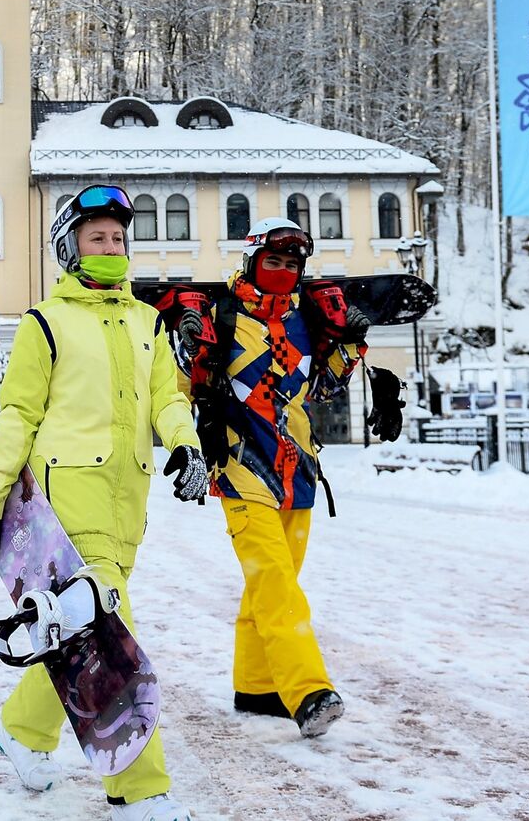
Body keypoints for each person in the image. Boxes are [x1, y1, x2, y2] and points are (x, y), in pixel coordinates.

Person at [0, 185, 205, 821]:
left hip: (128, 502)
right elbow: (17, 416)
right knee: (108, 637)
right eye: (97, 237)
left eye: (119, 238)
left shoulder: (147, 321)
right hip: (68, 502)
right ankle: (140, 791)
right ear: (69, 247)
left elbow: (166, 400)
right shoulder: (45, 323)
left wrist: (185, 445)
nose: (112, 248)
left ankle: (22, 732)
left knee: (74, 632)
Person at [158, 217, 405, 740]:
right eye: (274, 261)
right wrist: (183, 434)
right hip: (239, 466)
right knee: (273, 581)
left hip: (298, 469)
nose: (283, 271)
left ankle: (256, 686)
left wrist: (351, 344)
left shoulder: (306, 320)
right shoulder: (217, 315)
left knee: (273, 583)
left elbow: (319, 388)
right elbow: (183, 385)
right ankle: (307, 689)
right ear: (251, 261)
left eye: (293, 265)